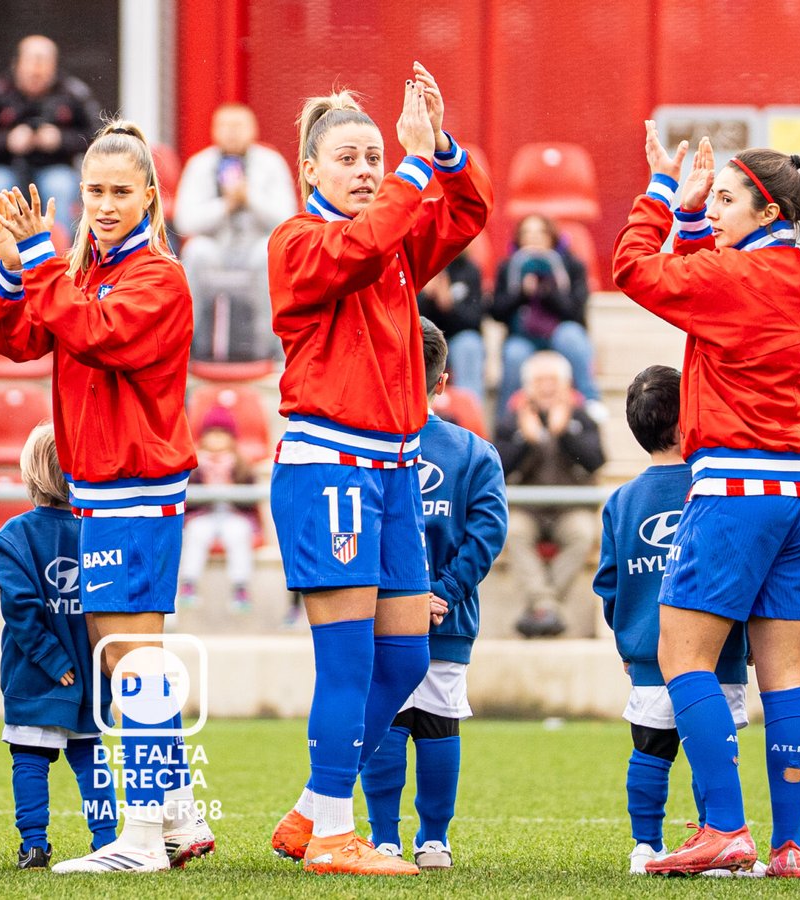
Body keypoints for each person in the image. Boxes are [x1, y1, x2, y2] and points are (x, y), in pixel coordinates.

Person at [613, 122, 800, 877]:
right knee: (784, 672)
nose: (714, 208)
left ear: (765, 213)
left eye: (726, 199)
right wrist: (697, 221)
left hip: (736, 488)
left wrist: (664, 196)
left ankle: (725, 829)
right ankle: (788, 847)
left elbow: (635, 270)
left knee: (680, 657)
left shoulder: (734, 279)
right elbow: (706, 287)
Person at [265, 63, 491, 877]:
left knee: (404, 659)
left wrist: (442, 146)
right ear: (311, 170)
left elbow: (468, 210)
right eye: (350, 159)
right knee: (351, 658)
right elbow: (360, 248)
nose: (367, 170)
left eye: (373, 157)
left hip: (393, 469)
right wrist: (408, 166)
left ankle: (313, 809)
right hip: (329, 466)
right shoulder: (298, 241)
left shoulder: (391, 235)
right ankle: (333, 833)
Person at [0, 118, 212, 874]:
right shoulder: (85, 269)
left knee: (131, 660)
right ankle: (176, 819)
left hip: (134, 486)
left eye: (120, 191)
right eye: (93, 191)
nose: (105, 204)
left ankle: (142, 838)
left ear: (150, 195)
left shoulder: (157, 277)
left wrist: (45, 262)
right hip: (104, 487)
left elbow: (95, 333)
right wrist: (16, 268)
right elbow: (12, 337)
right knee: (127, 659)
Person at [593, 365, 757, 876]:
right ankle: (716, 837)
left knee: (650, 749)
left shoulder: (621, 501)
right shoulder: (718, 490)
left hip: (647, 654)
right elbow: (742, 573)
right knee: (713, 749)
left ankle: (645, 844)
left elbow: (609, 582)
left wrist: (628, 643)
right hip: (718, 654)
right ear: (691, 420)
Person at [358, 318, 507, 869]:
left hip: (377, 612)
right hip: (450, 616)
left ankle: (383, 837)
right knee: (439, 718)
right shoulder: (474, 452)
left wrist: (399, 596)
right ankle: (435, 840)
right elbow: (487, 534)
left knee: (390, 716)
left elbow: (355, 532)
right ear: (442, 380)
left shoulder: (363, 450)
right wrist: (443, 592)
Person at [0, 424, 119, 869]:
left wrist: (49, 657)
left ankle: (34, 845)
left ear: (30, 473)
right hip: (88, 671)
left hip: (35, 673)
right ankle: (106, 839)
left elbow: (20, 610)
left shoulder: (14, 535)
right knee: (89, 755)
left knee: (29, 757)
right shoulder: (98, 529)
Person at [174, 103, 296, 363]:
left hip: (254, 248)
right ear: (214, 131)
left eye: (238, 126)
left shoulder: (271, 163)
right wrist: (225, 207)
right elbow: (185, 221)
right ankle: (189, 347)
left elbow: (287, 217)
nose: (232, 133)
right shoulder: (200, 164)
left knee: (269, 253)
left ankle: (270, 349)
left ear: (253, 129)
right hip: (216, 248)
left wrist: (248, 198)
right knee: (195, 251)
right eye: (225, 127)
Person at [496, 350, 606, 638]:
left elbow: (597, 460)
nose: (547, 386)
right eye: (540, 380)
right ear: (527, 386)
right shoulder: (511, 420)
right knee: (514, 532)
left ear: (567, 384)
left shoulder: (582, 417)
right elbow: (499, 468)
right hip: (527, 508)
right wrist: (526, 441)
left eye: (553, 380)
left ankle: (541, 609)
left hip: (571, 507)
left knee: (582, 533)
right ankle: (548, 607)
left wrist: (566, 433)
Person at [0, 35, 101, 239]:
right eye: (31, 62)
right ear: (17, 64)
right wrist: (8, 141)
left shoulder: (73, 93)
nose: (36, 70)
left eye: (43, 63)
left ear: (54, 66)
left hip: (56, 167)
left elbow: (97, 137)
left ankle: (59, 257)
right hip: (5, 167)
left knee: (61, 187)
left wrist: (60, 140)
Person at [491, 214, 601, 418]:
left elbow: (576, 311)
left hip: (559, 332)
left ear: (551, 236)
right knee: (514, 354)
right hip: (523, 336)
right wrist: (521, 294)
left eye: (540, 232)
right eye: (527, 233)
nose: (533, 238)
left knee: (572, 336)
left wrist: (549, 292)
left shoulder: (571, 265)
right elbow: (497, 312)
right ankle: (505, 418)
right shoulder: (508, 267)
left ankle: (590, 402)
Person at [177, 406, 260, 612]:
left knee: (238, 533)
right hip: (203, 515)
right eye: (211, 434)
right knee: (196, 533)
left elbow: (251, 497)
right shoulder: (195, 462)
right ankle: (189, 583)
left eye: (222, 434)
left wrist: (231, 489)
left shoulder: (240, 463)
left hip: (233, 514)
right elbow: (188, 497)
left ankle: (240, 587)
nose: (216, 439)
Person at [418, 251, 488, 403]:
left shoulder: (468, 270)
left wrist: (448, 306)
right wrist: (426, 298)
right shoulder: (414, 265)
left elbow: (474, 321)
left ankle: (470, 414)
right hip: (422, 338)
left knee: (470, 344)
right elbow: (403, 317)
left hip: (456, 337)